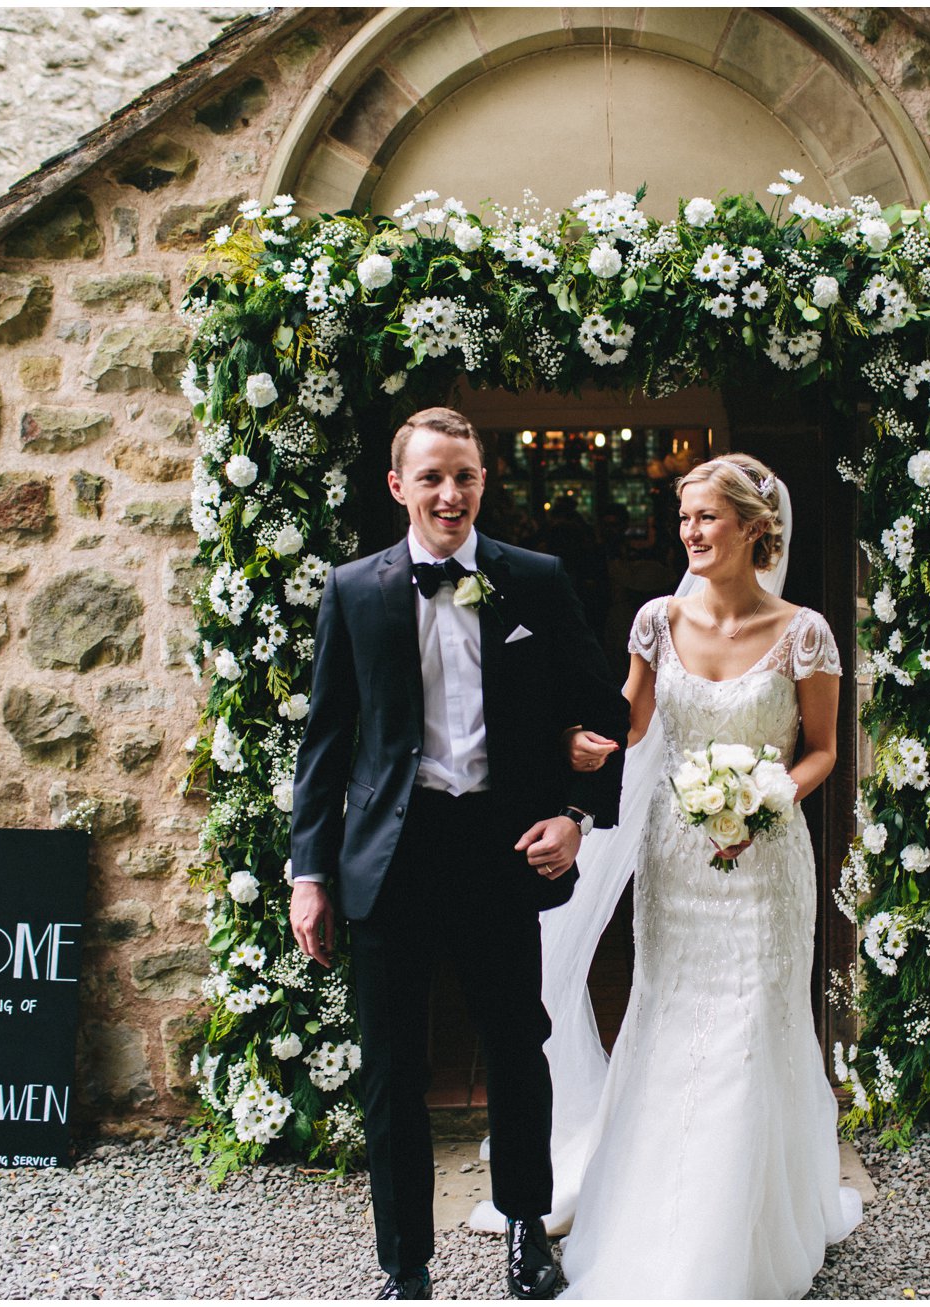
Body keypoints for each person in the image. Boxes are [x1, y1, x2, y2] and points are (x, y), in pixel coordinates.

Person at [288, 406, 629, 1301]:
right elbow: (325, 743)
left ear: (484, 482)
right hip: (391, 858)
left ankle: (527, 1228)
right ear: (398, 486)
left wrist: (576, 816)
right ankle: (405, 1265)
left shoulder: (536, 580)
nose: (451, 493)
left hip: (500, 847)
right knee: (394, 1068)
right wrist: (310, 873)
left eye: (466, 475)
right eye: (432, 476)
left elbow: (605, 712)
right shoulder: (354, 590)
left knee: (518, 1046)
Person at [552, 453, 863, 1298]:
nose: (689, 531)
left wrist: (767, 800)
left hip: (767, 863)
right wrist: (586, 742)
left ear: (754, 529)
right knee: (672, 1012)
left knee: (752, 1022)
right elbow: (636, 721)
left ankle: (742, 1229)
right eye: (684, 516)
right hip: (677, 857)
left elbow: (825, 749)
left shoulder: (806, 632)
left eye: (706, 518)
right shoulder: (656, 619)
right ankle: (655, 1213)